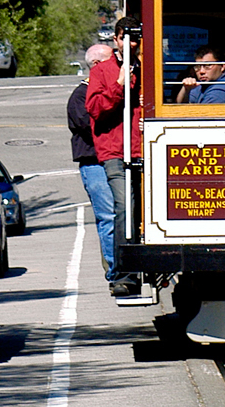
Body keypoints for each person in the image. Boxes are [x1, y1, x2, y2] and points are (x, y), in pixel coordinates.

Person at [86, 16, 142, 297]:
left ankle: (146, 263)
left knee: (145, 209)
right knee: (124, 208)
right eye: (126, 37)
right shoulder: (102, 71)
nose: (131, 43)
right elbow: (95, 109)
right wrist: (120, 85)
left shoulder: (149, 68)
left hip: (144, 148)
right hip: (116, 153)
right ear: (116, 40)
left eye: (136, 38)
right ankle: (124, 273)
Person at [67, 43, 117, 289]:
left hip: (115, 160)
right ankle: (115, 270)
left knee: (121, 215)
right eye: (111, 60)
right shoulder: (81, 95)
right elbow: (91, 125)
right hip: (95, 164)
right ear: (97, 65)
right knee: (107, 215)